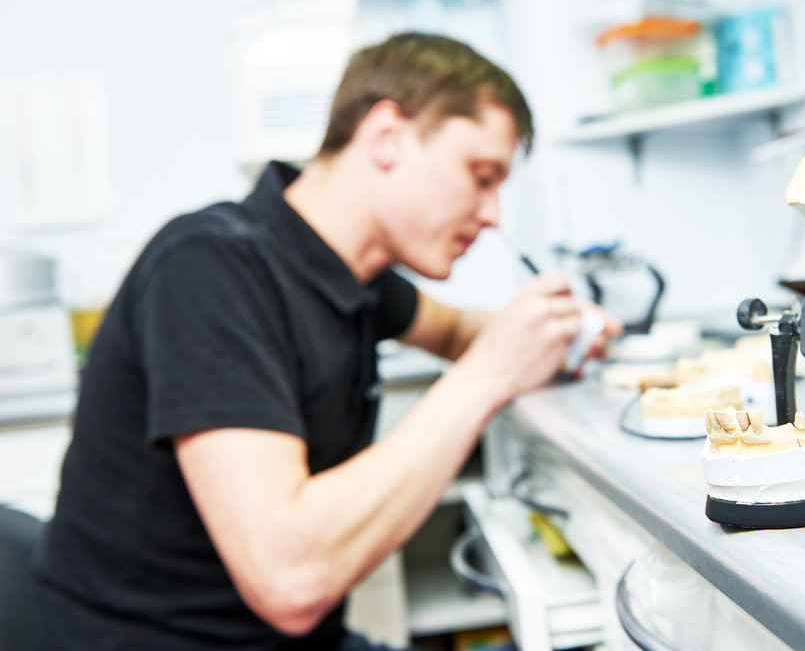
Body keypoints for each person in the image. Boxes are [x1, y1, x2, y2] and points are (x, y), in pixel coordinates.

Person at [34, 32, 621, 650]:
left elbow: (458, 330)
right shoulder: (209, 268)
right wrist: (488, 374)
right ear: (387, 136)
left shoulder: (352, 276)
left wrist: (556, 333)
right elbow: (289, 579)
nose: (495, 213)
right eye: (481, 175)